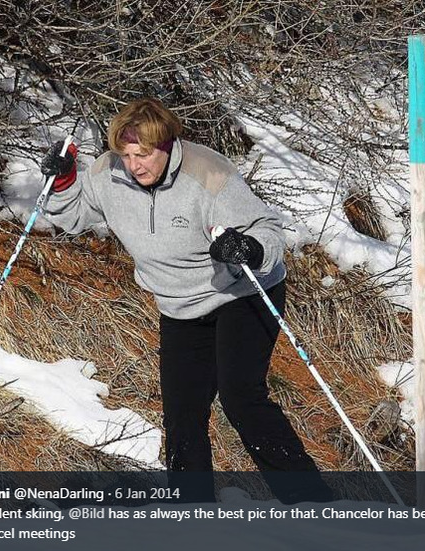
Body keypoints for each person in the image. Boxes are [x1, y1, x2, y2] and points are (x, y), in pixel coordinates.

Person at [41, 98, 331, 503]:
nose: (133, 164)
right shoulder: (108, 173)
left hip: (240, 293)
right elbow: (69, 217)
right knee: (182, 412)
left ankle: (311, 501)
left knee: (240, 396)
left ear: (166, 145)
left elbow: (267, 231)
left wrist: (247, 247)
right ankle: (190, 508)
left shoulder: (207, 174)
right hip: (178, 305)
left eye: (143, 154)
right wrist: (64, 178)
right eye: (125, 154)